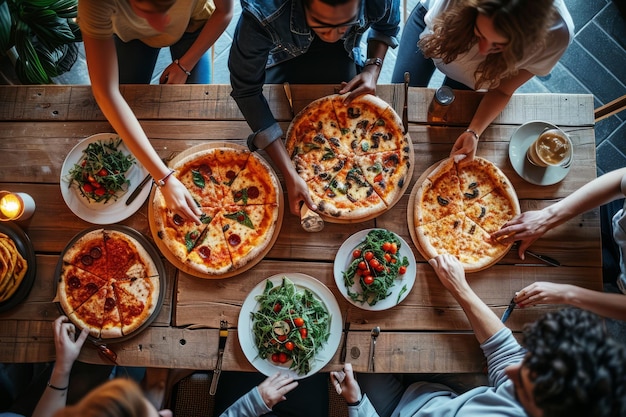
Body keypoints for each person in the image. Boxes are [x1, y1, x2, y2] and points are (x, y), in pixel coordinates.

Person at [331, 253, 626, 417]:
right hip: (443, 396)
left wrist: (357, 406)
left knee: (345, 353)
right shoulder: (556, 393)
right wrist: (458, 287)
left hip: (393, 411)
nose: (511, 371)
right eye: (529, 364)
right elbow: (506, 355)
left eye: (522, 384)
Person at [228, 0, 401, 215]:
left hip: (345, 53)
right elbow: (246, 91)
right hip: (283, 54)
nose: (333, 36)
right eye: (323, 25)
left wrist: (372, 68)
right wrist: (290, 172)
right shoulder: (263, 13)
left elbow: (387, 26)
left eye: (345, 24)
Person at [77, 0, 234, 223]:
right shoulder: (94, 4)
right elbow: (105, 92)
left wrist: (184, 65)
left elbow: (226, 12)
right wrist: (165, 178)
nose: (161, 24)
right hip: (132, 36)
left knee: (197, 118)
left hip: (193, 24)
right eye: (146, 9)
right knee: (122, 112)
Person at [391, 0, 574, 163]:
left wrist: (473, 132)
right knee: (395, 106)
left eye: (498, 46)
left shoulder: (557, 35)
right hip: (437, 31)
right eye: (479, 34)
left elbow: (502, 91)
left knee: (445, 137)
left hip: (475, 78)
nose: (484, 50)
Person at [492, 167, 626, 321]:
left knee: (601, 272)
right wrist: (547, 218)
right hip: (616, 218)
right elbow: (620, 180)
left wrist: (567, 294)